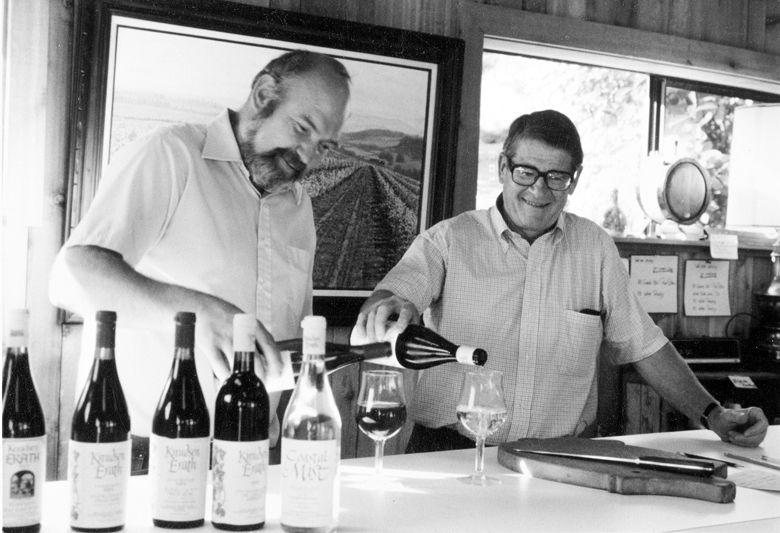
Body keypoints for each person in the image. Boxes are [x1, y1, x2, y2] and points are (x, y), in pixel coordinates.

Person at [354, 109, 768, 452]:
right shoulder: (448, 240)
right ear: (503, 167)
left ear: (575, 178)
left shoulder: (596, 248)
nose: (539, 189)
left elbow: (646, 346)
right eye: (526, 172)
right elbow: (389, 300)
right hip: (447, 452)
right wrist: (392, 308)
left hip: (558, 459)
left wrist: (714, 415)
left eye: (556, 177)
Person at [50, 50, 351, 470]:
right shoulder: (170, 155)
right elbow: (70, 275)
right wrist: (197, 313)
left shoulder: (299, 207)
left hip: (254, 449)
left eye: (324, 146)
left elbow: (291, 330)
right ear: (264, 94)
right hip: (149, 448)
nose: (307, 155)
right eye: (303, 128)